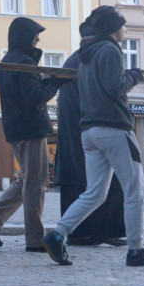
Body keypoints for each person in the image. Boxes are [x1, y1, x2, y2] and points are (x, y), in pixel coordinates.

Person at [45, 6, 144, 266]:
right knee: (135, 189)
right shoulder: (111, 50)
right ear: (114, 29)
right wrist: (134, 75)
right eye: (123, 25)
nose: (126, 29)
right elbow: (115, 87)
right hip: (115, 128)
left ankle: (58, 235)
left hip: (89, 131)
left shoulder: (85, 54)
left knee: (95, 193)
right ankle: (136, 250)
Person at [0, 17, 61, 252]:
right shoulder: (24, 63)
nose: (38, 39)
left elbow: (25, 93)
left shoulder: (8, 61)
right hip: (31, 129)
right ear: (26, 37)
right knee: (36, 184)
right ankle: (35, 240)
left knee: (28, 179)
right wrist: (55, 84)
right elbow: (34, 98)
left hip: (15, 129)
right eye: (35, 35)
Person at [54, 21, 126, 247]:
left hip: (81, 131)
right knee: (116, 184)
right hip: (94, 128)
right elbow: (111, 90)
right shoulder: (95, 57)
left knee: (94, 187)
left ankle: (77, 232)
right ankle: (105, 234)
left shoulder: (78, 59)